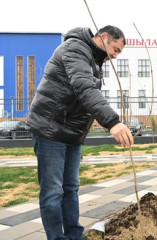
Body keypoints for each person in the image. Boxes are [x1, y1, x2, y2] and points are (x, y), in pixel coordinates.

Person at [26, 26, 133, 240]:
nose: (114, 55)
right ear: (103, 37)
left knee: (71, 187)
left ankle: (75, 235)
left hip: (71, 133)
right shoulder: (75, 49)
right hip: (51, 129)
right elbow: (84, 88)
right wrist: (112, 121)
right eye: (115, 49)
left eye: (119, 52)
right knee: (53, 191)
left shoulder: (93, 58)